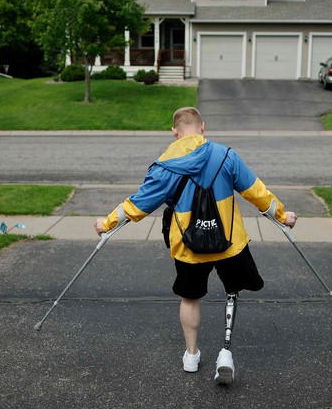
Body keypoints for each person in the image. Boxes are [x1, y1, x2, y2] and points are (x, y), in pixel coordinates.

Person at [95, 106, 297, 385]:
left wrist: (105, 224)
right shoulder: (226, 155)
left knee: (190, 297)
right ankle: (225, 351)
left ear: (175, 132)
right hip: (229, 243)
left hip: (189, 247)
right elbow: (257, 192)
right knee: (232, 290)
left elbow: (137, 205)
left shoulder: (165, 166)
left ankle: (191, 355)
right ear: (203, 127)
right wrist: (282, 216)